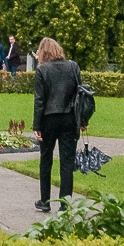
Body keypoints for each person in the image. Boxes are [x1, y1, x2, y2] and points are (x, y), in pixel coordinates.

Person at [32, 37, 83, 213]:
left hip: (48, 118)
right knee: (67, 162)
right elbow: (80, 95)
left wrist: (36, 125)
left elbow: (39, 100)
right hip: (69, 118)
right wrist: (82, 120)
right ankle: (65, 203)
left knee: (46, 159)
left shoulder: (42, 70)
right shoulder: (73, 67)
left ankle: (45, 200)